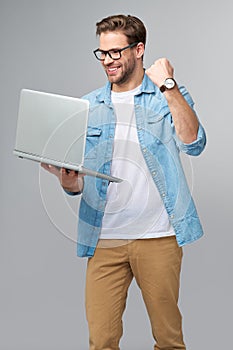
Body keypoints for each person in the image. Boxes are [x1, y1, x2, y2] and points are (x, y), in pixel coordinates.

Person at [42, 14, 206, 350]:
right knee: (101, 341)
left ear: (139, 49)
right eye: (102, 53)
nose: (108, 61)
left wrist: (169, 86)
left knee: (169, 339)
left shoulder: (166, 95)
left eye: (116, 52)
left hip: (158, 237)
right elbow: (78, 186)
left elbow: (194, 142)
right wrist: (67, 181)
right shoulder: (88, 105)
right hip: (104, 240)